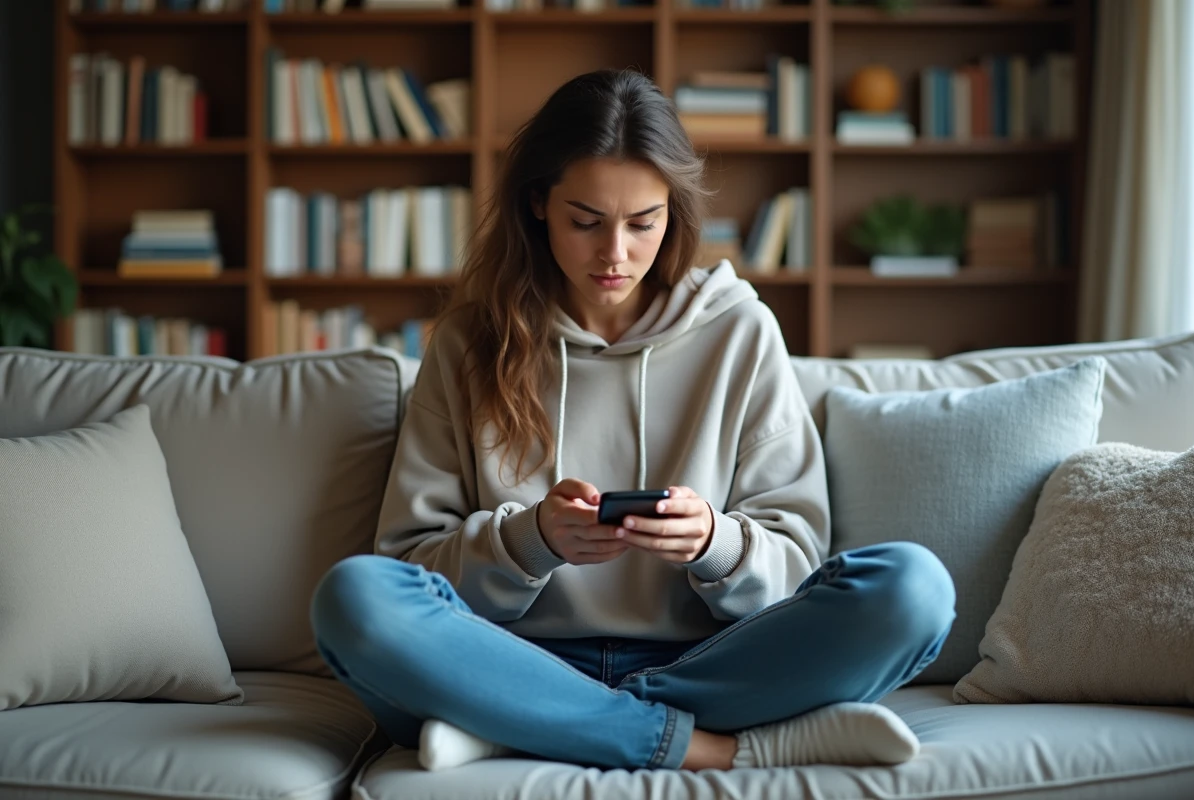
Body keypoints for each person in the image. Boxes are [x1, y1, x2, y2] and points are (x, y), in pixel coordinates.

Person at [310, 69, 956, 773]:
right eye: (585, 222)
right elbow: (406, 565)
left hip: (704, 661)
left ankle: (522, 725)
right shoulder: (470, 340)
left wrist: (715, 541)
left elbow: (798, 565)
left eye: (642, 223)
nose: (614, 253)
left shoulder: (740, 332)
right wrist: (529, 540)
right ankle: (704, 747)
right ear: (538, 207)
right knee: (353, 597)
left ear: (672, 215)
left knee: (913, 588)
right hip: (507, 656)